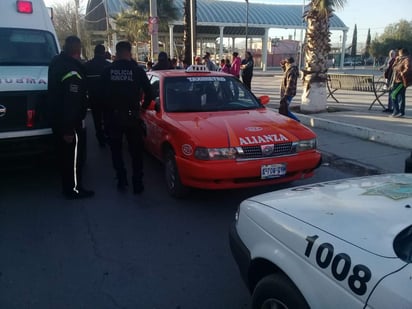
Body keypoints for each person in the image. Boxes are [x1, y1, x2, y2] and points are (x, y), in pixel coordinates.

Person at [101, 41, 153, 194]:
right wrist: (142, 109)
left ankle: (121, 179)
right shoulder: (137, 71)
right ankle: (137, 183)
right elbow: (149, 93)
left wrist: (105, 115)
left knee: (116, 151)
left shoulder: (107, 71)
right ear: (129, 53)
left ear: (116, 53)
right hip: (132, 117)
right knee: (136, 152)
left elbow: (100, 96)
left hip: (113, 117)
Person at [47, 35, 94, 199]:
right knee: (74, 158)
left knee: (64, 157)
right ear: (78, 50)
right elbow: (71, 102)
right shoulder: (72, 70)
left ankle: (67, 186)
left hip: (57, 119)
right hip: (70, 123)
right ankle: (74, 189)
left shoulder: (56, 62)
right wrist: (68, 129)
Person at [85, 44, 111, 147]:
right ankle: (107, 135)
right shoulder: (108, 65)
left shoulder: (87, 65)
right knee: (107, 117)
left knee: (97, 119)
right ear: (103, 52)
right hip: (106, 97)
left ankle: (100, 137)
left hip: (93, 97)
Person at [389, 47, 411, 118]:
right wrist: (396, 60)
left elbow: (408, 68)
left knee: (393, 95)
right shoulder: (400, 59)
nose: (398, 54)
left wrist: (402, 73)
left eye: (399, 53)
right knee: (401, 96)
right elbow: (393, 67)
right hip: (397, 80)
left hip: (401, 81)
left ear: (403, 53)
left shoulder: (407, 59)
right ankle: (401, 112)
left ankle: (396, 111)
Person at [279, 57, 300, 122]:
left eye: (285, 63)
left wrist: (286, 96)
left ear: (288, 63)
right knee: (283, 110)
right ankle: (287, 122)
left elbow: (290, 84)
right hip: (286, 93)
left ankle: (296, 121)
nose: (284, 64)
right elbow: (284, 68)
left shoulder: (292, 70)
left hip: (288, 93)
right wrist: (282, 64)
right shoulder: (289, 69)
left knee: (284, 110)